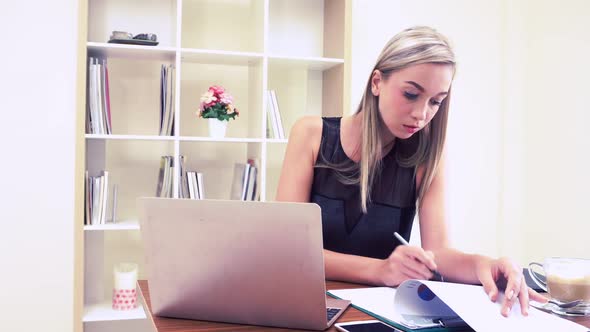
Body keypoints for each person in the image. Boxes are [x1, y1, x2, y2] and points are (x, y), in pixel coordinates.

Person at [275, 26, 547, 317]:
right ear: (377, 82)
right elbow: (288, 249)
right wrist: (381, 270)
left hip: (377, 314)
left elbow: (439, 254)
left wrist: (485, 265)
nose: (422, 114)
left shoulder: (427, 158)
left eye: (435, 101)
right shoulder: (311, 134)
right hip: (304, 306)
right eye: (410, 94)